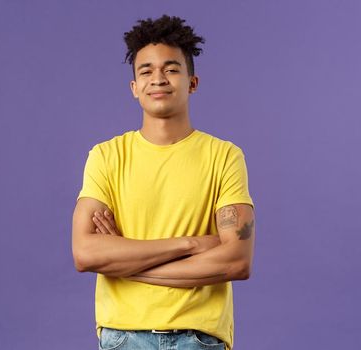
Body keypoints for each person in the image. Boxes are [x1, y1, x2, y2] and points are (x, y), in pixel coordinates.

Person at [71, 15, 256, 350]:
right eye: (146, 71)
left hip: (197, 338)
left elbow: (236, 260)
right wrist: (190, 245)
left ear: (193, 82)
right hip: (123, 337)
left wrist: (127, 266)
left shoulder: (225, 156)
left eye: (171, 69)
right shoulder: (106, 156)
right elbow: (85, 252)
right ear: (134, 87)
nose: (158, 79)